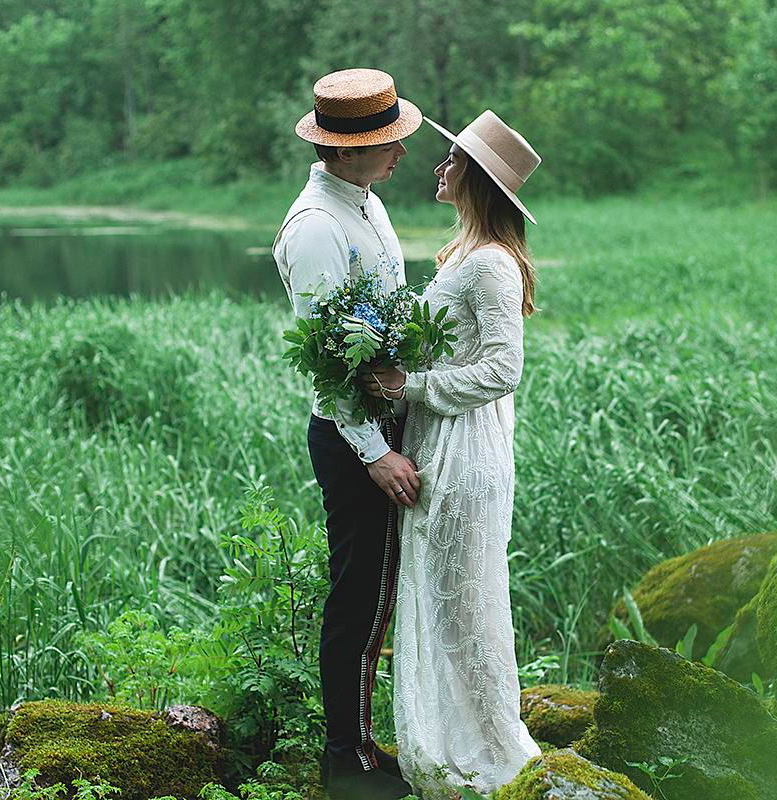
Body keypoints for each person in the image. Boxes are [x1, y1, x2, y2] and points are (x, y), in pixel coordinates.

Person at [365, 110, 543, 796]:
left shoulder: (493, 264)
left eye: (451, 162)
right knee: (443, 599)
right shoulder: (463, 254)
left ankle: (490, 752)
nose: (439, 169)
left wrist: (414, 385)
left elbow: (503, 368)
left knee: (465, 602)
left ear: (473, 179)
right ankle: (447, 741)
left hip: (466, 452)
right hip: (440, 440)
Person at [271, 68, 422, 800]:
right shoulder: (317, 230)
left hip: (384, 425)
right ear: (343, 150)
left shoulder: (366, 202)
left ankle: (361, 746)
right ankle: (346, 762)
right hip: (351, 439)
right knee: (356, 598)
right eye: (386, 143)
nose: (401, 153)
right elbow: (328, 364)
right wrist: (376, 454)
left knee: (377, 595)